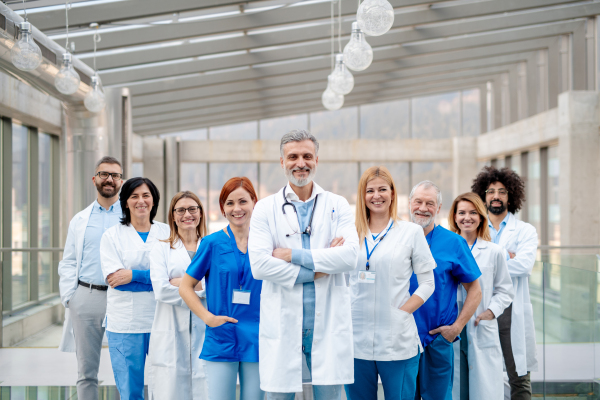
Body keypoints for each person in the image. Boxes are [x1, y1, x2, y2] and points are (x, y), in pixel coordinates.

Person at [248, 130, 359, 399]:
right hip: (283, 319)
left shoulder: (338, 204)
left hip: (328, 318)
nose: (301, 163)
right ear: (282, 162)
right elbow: (260, 266)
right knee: (278, 395)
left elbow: (350, 257)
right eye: (293, 157)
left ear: (317, 160)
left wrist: (292, 255)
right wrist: (318, 270)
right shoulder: (265, 208)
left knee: (330, 394)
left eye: (307, 156)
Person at [345, 166, 436, 400]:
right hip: (356, 340)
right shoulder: (349, 234)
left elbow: (427, 282)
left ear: (393, 194)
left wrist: (403, 312)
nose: (377, 196)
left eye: (382, 189)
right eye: (370, 190)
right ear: (362, 196)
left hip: (397, 340)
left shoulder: (411, 232)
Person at [179, 178, 263, 400]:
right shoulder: (212, 243)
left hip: (257, 336)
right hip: (222, 335)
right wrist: (208, 317)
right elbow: (186, 287)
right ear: (222, 209)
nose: (237, 209)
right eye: (229, 203)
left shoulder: (265, 243)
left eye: (243, 201)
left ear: (255, 202)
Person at [408, 181, 482, 400]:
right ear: (409, 204)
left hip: (437, 341)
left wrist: (456, 328)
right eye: (418, 201)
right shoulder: (396, 238)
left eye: (430, 203)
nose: (423, 207)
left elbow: (475, 290)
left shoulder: (454, 243)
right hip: (402, 339)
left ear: (438, 208)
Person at [58, 156, 124, 400]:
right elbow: (69, 261)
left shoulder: (131, 218)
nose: (109, 179)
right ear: (94, 178)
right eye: (104, 174)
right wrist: (70, 298)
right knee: (86, 372)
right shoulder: (79, 219)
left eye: (115, 175)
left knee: (126, 368)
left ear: (121, 181)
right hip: (86, 297)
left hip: (123, 298)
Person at [471, 167, 538, 400]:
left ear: (511, 196)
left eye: (502, 191)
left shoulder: (525, 231)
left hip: (511, 310)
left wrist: (487, 263)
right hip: (479, 307)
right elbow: (464, 266)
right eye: (490, 191)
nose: (495, 196)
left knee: (518, 377)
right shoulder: (473, 229)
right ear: (483, 196)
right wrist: (504, 258)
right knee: (480, 373)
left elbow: (524, 266)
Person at [100, 177, 170, 400]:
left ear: (154, 200)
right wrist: (158, 278)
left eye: (146, 195)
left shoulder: (168, 233)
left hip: (163, 319)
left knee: (167, 386)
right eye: (134, 196)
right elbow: (115, 281)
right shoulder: (112, 236)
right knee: (130, 390)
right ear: (125, 202)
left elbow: (178, 277)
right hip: (125, 324)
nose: (141, 201)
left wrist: (132, 275)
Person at [448, 192, 514, 400]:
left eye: (473, 212)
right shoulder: (446, 249)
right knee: (455, 388)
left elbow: (505, 289)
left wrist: (490, 312)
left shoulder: (494, 251)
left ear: (481, 217)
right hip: (452, 325)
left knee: (482, 390)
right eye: (461, 213)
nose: (467, 217)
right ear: (454, 217)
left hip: (479, 325)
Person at [148, 191, 209, 399]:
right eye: (180, 210)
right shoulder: (161, 248)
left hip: (204, 326)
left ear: (200, 213)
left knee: (206, 388)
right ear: (172, 216)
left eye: (193, 209)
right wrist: (198, 287)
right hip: (171, 328)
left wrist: (182, 284)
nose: (187, 214)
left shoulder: (212, 246)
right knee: (171, 389)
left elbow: (218, 287)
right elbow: (162, 290)